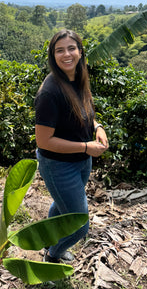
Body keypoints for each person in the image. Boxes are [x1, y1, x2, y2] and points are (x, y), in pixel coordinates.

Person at [35, 29, 109, 263]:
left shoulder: (78, 77)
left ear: (80, 51)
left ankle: (48, 241)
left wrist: (97, 127)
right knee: (80, 224)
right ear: (52, 56)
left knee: (61, 207)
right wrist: (86, 147)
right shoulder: (50, 92)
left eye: (71, 48)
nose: (66, 54)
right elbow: (44, 141)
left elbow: (86, 112)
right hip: (58, 165)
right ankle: (53, 255)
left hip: (80, 161)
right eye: (59, 50)